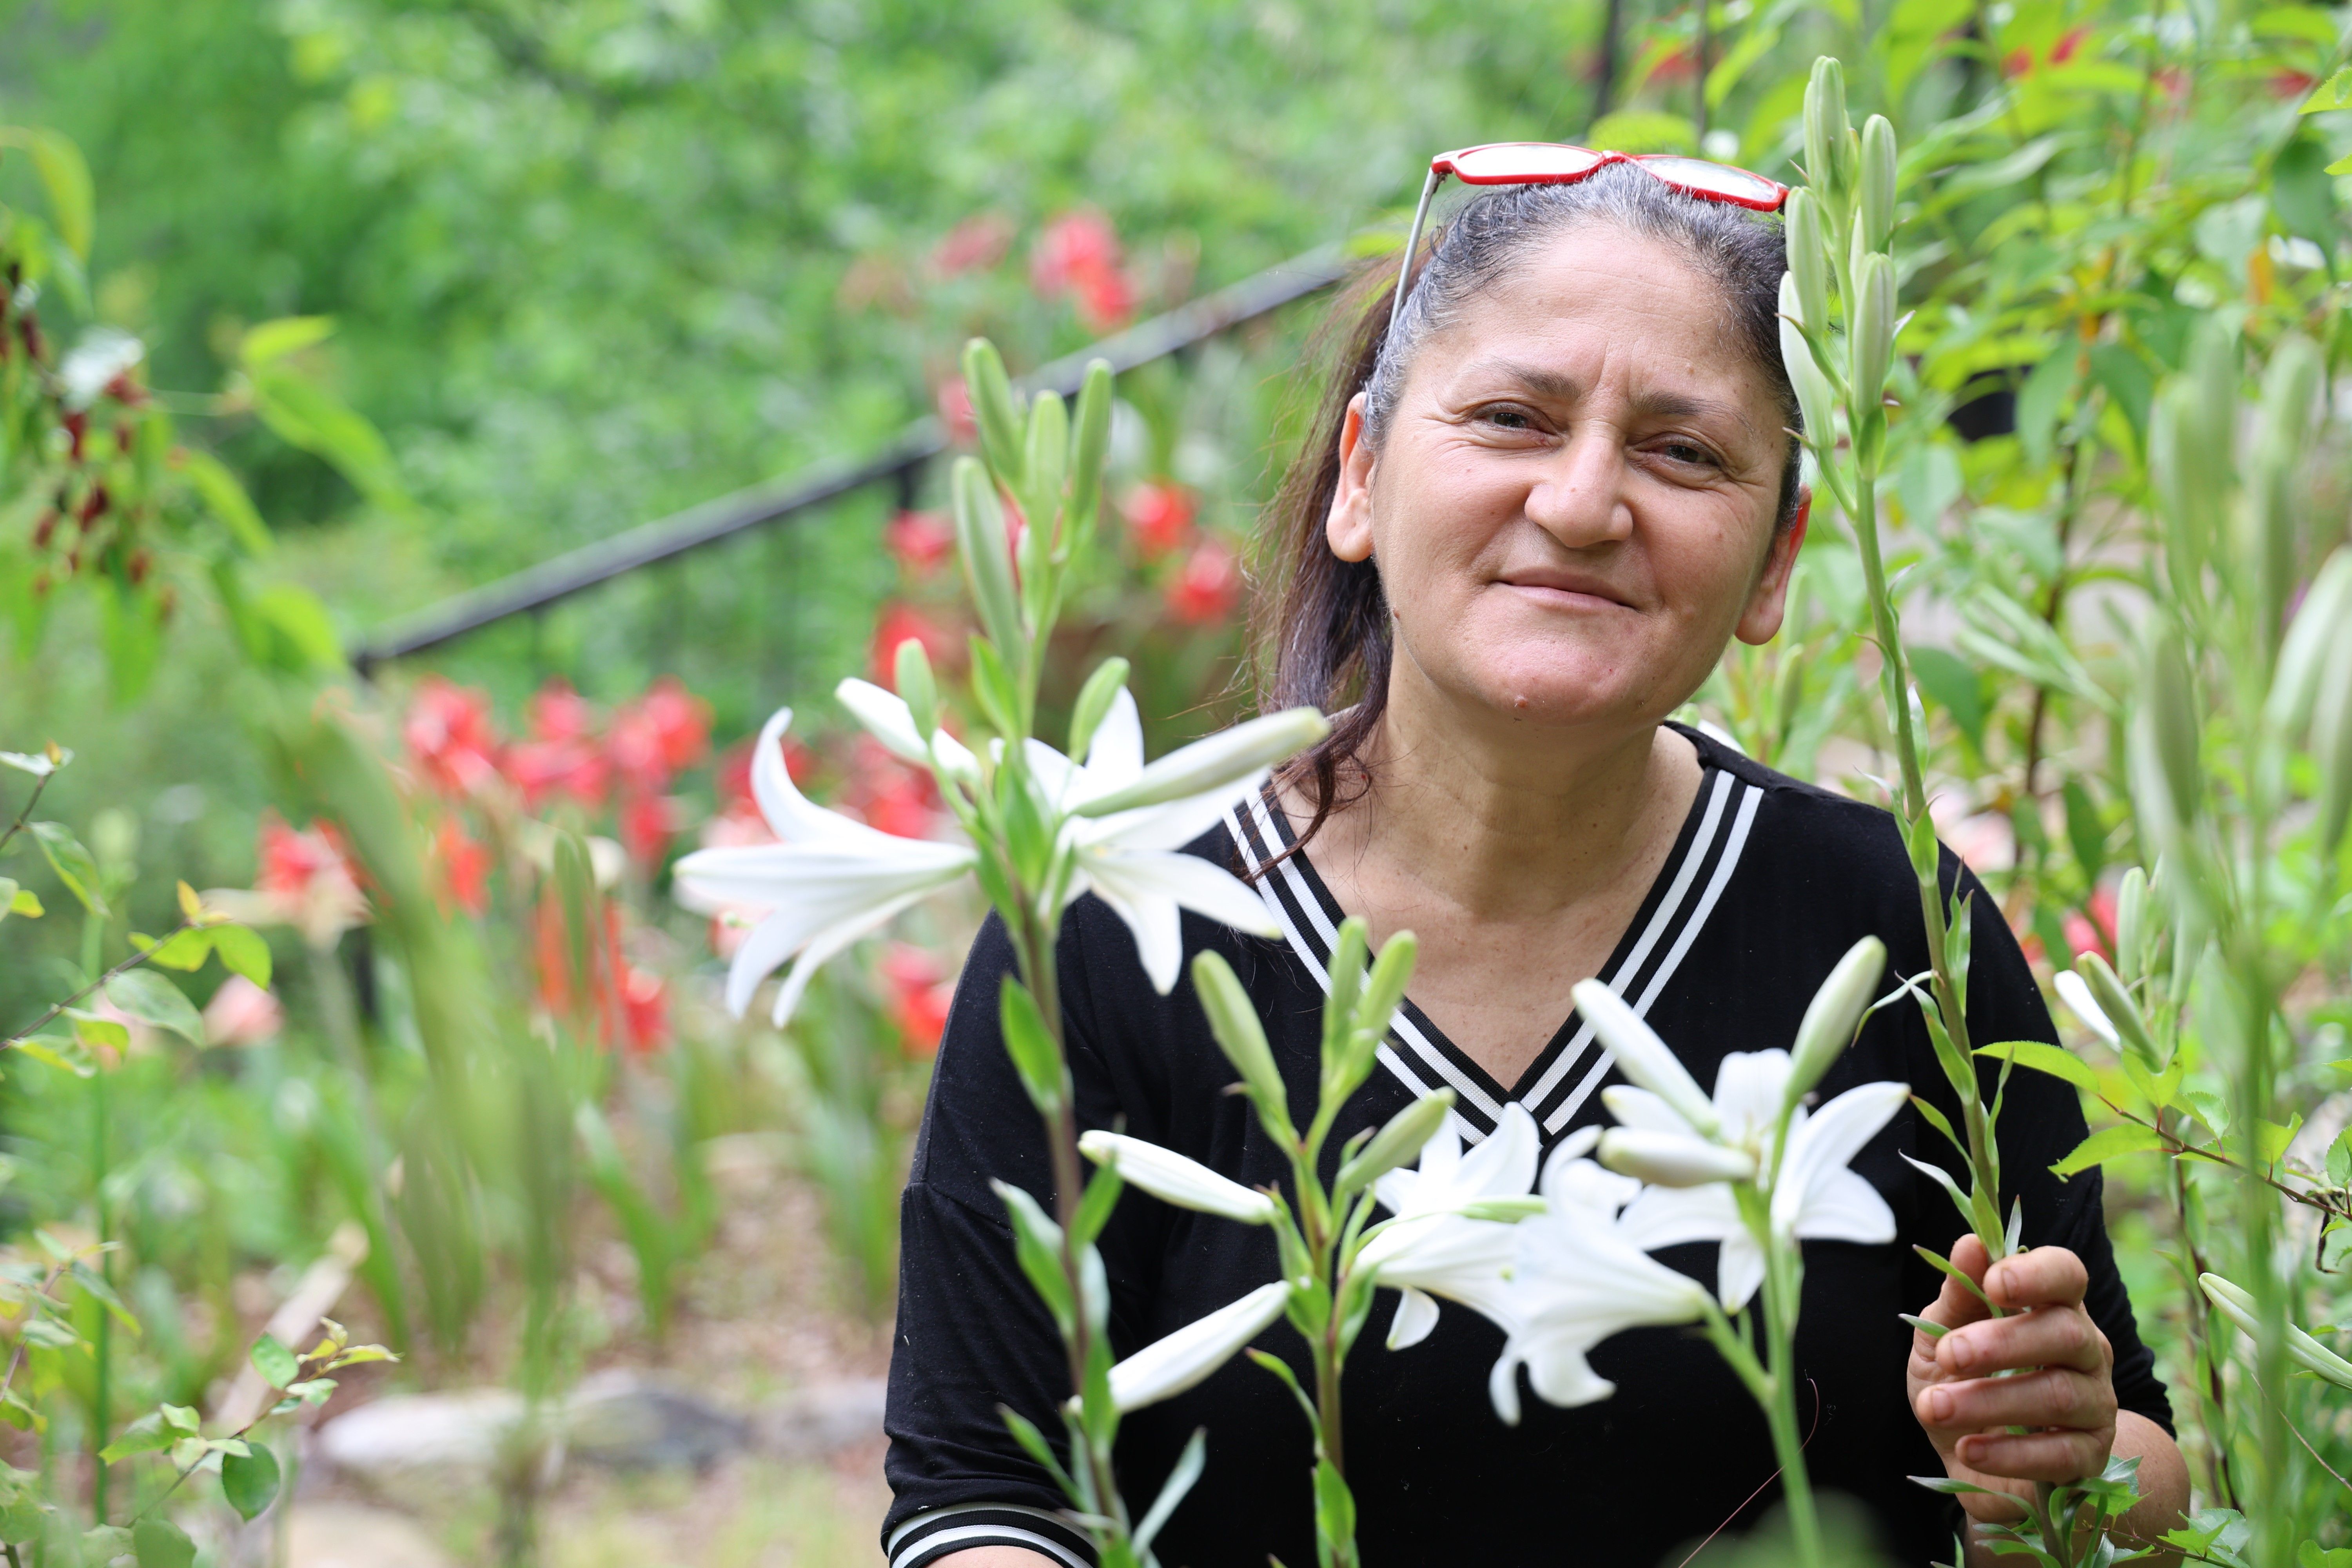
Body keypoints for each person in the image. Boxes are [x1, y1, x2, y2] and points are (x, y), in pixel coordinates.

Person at [881, 156, 2187, 1568]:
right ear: (1363, 475)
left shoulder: (1887, 921)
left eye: (1684, 453)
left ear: (1776, 564)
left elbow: (2138, 1464)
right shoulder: (1109, 920)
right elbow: (978, 1498)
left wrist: (2056, 1468)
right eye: (1512, 418)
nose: (1579, 504)